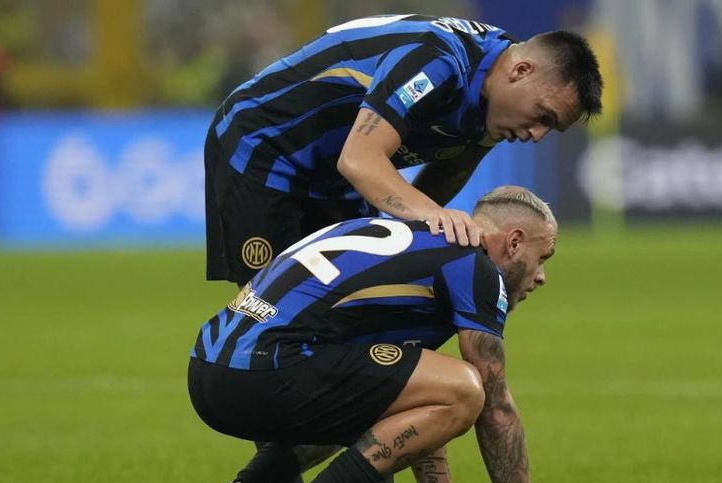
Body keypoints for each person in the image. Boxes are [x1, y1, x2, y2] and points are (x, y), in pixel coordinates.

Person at [189, 185, 558, 483]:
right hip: (269, 367)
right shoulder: (474, 264)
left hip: (209, 369)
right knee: (467, 390)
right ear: (514, 242)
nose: (541, 277)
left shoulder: (414, 241)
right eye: (542, 257)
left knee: (385, 390)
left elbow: (411, 391)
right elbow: (496, 409)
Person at [206, 13, 601, 287]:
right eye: (543, 116)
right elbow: (360, 158)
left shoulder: (497, 100)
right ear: (521, 71)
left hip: (334, 174)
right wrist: (434, 216)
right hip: (264, 146)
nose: (536, 135)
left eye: (551, 128)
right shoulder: (439, 60)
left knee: (349, 301)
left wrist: (411, 233)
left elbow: (454, 166)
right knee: (270, 306)